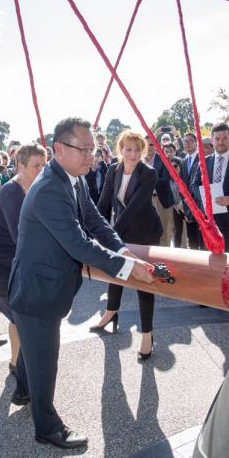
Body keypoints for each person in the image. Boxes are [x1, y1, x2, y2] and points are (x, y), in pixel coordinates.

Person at [8, 118, 155, 450]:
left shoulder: (73, 179)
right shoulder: (48, 189)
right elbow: (79, 244)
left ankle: (23, 389)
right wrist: (129, 267)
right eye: (84, 149)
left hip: (44, 286)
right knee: (45, 357)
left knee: (34, 348)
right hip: (37, 291)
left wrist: (122, 249)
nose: (91, 155)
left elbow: (95, 221)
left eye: (93, 149)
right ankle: (48, 427)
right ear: (59, 149)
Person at [0, 143, 47, 369]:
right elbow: (23, 240)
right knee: (19, 310)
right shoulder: (13, 194)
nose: (42, 171)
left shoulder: (32, 186)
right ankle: (16, 366)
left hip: (3, 255)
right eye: (36, 166)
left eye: (45, 165)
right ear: (19, 166)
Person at [91, 131, 162, 360]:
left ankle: (147, 334)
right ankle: (111, 313)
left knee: (144, 281)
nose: (132, 154)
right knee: (116, 273)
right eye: (128, 149)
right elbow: (103, 202)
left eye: (137, 149)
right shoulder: (113, 169)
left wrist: (111, 235)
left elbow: (133, 207)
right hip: (120, 229)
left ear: (143, 151)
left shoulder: (148, 172)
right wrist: (94, 230)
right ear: (121, 149)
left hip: (145, 232)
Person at [190, 123, 229, 252]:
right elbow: (194, 185)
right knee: (209, 260)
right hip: (209, 220)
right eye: (217, 138)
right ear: (212, 139)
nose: (221, 142)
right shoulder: (203, 162)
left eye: (225, 138)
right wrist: (205, 197)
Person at [151, 134, 178, 247]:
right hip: (150, 199)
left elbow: (166, 180)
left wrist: (150, 178)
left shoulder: (176, 161)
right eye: (165, 150)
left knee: (169, 229)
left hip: (167, 200)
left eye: (170, 150)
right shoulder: (154, 159)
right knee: (156, 229)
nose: (167, 153)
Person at [178, 132, 202, 250]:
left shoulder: (202, 159)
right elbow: (182, 185)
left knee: (201, 238)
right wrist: (187, 208)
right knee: (191, 238)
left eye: (190, 141)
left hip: (200, 205)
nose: (187, 144)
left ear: (196, 143)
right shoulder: (183, 161)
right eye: (185, 142)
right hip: (188, 207)